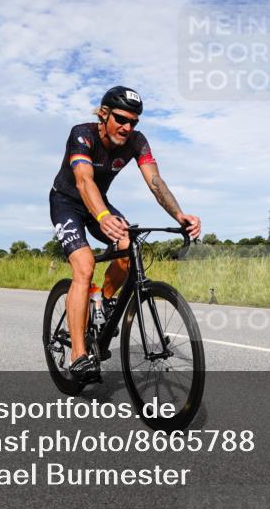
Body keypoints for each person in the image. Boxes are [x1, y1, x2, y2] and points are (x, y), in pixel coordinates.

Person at [49, 85, 201, 383]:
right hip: (67, 202)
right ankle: (79, 356)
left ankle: (103, 301)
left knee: (129, 244)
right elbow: (83, 181)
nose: (127, 127)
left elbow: (155, 181)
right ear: (103, 114)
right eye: (121, 119)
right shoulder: (83, 134)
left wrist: (179, 214)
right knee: (84, 266)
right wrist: (103, 216)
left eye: (133, 122)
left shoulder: (136, 142)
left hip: (100, 203)